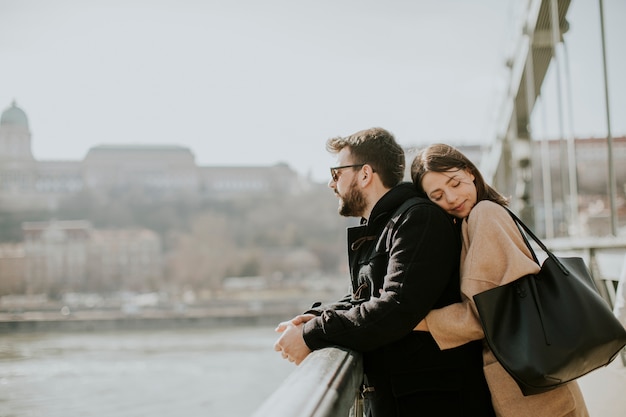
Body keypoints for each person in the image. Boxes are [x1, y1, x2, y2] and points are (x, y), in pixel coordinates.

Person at [274, 128, 495, 417]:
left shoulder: (418, 219)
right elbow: (367, 298)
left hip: (435, 404)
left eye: (336, 173)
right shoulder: (387, 226)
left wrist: (311, 334)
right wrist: (314, 317)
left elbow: (395, 308)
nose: (331, 183)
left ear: (365, 174)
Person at [410, 143, 589, 417]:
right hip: (538, 383)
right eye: (438, 196)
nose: (452, 197)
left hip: (533, 397)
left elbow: (486, 316)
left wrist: (410, 320)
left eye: (454, 183)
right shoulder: (477, 218)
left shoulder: (485, 215)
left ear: (470, 172)